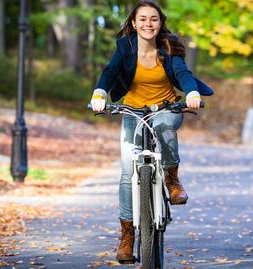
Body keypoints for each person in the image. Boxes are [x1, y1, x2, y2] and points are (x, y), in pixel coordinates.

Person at [90, 0, 213, 263]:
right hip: (133, 111)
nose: (148, 24)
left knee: (163, 125)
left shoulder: (170, 45)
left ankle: (172, 178)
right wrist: (100, 93)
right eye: (143, 19)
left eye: (153, 19)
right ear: (134, 23)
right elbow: (110, 72)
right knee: (126, 172)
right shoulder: (126, 46)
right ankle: (127, 235)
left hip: (165, 108)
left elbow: (182, 72)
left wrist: (191, 92)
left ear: (160, 23)